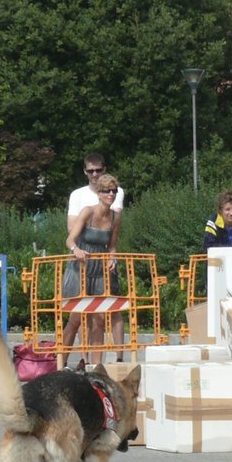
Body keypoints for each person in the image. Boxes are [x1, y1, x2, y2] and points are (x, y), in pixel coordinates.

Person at [65, 152, 127, 355]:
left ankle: (95, 364)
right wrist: (76, 249)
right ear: (99, 194)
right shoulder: (86, 210)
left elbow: (112, 245)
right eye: (107, 191)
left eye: (113, 191)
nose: (111, 194)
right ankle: (62, 361)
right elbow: (70, 238)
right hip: (81, 263)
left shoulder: (115, 216)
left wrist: (112, 257)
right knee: (76, 317)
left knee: (100, 317)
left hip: (100, 264)